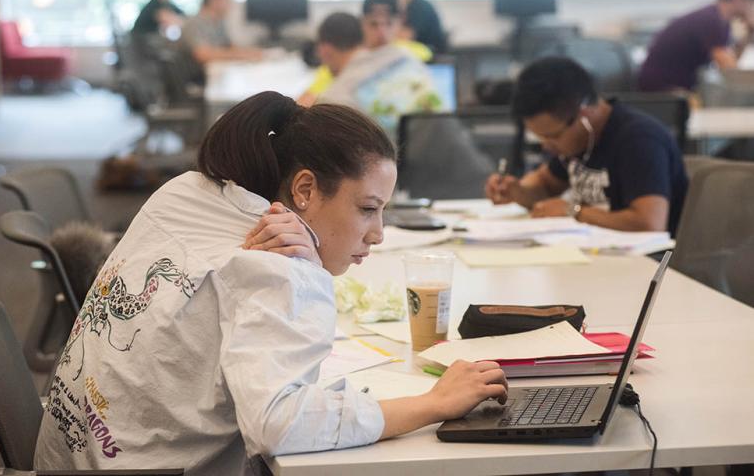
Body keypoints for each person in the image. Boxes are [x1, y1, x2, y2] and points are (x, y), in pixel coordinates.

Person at [34, 91, 509, 476]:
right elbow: (279, 427)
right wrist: (433, 403)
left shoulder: (182, 191)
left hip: (68, 455)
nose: (378, 233)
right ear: (304, 190)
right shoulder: (281, 267)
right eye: (367, 208)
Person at [486, 57, 688, 235]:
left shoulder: (639, 140)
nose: (547, 146)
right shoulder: (579, 140)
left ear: (585, 114)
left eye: (552, 136)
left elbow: (649, 225)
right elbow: (545, 185)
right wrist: (517, 191)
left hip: (648, 266)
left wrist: (573, 212)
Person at [317, 3, 443, 139]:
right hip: (455, 148)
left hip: (406, 159)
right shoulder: (403, 55)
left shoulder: (333, 100)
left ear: (325, 50)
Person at [298, 0, 432, 107]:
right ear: (362, 23)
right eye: (374, 24)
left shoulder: (413, 54)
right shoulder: (342, 61)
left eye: (389, 23)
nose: (382, 33)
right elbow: (305, 102)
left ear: (400, 22)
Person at [638, 0, 754, 92]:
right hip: (662, 86)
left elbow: (732, 61)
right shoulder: (710, 19)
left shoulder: (721, 21)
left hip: (677, 83)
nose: (752, 7)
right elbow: (730, 69)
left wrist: (750, 32)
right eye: (751, 2)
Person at [180, 0, 263, 83]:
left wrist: (249, 53)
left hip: (217, 76)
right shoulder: (194, 24)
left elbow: (230, 47)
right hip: (199, 81)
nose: (231, 3)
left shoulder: (219, 23)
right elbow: (202, 55)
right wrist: (241, 55)